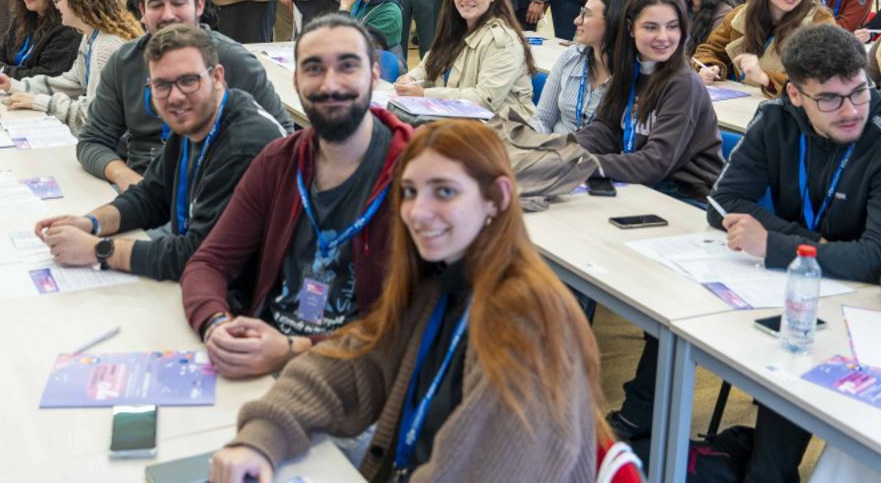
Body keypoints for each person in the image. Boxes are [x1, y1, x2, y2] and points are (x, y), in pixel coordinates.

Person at [208, 120, 602, 483]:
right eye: (410, 192)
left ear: (496, 198)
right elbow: (348, 365)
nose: (417, 212)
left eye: (444, 192)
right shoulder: (439, 285)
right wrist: (260, 439)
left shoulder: (527, 321)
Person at [613, 25, 881, 478]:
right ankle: (647, 432)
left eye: (859, 91)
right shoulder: (776, 118)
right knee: (676, 321)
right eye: (830, 99)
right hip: (790, 287)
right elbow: (722, 203)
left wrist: (776, 244)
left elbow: (875, 257)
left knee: (778, 446)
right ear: (796, 95)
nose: (850, 109)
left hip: (860, 310)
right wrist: (810, 246)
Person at [181, 14, 412, 378]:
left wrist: (294, 350)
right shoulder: (277, 163)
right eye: (314, 69)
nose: (330, 83)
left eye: (347, 66)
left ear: (375, 74)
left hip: (360, 375)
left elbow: (417, 319)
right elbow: (208, 263)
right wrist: (217, 325)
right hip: (266, 360)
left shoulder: (416, 173)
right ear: (296, 80)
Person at [33, 23, 287, 281]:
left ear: (217, 77)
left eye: (188, 80)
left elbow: (199, 256)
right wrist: (90, 223)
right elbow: (152, 195)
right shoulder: (194, 118)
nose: (175, 96)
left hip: (249, 298)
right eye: (161, 85)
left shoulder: (244, 145)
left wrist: (97, 250)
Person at [77, 0, 292, 191]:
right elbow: (92, 141)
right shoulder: (124, 62)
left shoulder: (234, 61)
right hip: (142, 186)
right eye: (156, 5)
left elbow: (284, 143)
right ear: (142, 12)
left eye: (178, 2)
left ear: (199, 6)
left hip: (214, 189)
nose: (168, 15)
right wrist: (124, 177)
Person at [575, 0, 722, 202]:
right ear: (631, 28)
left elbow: (656, 162)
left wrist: (585, 164)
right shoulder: (629, 68)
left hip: (685, 196)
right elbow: (604, 128)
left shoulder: (684, 84)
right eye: (651, 27)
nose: (663, 37)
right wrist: (562, 150)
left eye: (672, 26)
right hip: (641, 186)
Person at [0, 0, 142, 133]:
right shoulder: (90, 37)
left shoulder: (106, 47)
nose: (57, 6)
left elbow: (92, 115)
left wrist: (39, 102)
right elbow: (71, 82)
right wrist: (15, 85)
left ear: (77, 2)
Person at [394, 0, 536, 120]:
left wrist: (424, 94)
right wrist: (409, 80)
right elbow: (427, 67)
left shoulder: (503, 41)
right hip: (457, 121)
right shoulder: (455, 29)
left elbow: (484, 100)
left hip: (502, 131)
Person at [696, 0, 836, 98]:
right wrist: (710, 67)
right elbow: (710, 50)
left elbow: (825, 78)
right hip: (739, 103)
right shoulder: (741, 15)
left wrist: (765, 79)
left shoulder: (820, 22)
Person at [533, 0, 630, 134]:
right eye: (581, 13)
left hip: (598, 156)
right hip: (555, 150)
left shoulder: (634, 76)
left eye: (587, 14)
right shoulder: (570, 57)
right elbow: (542, 119)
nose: (577, 21)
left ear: (614, 21)